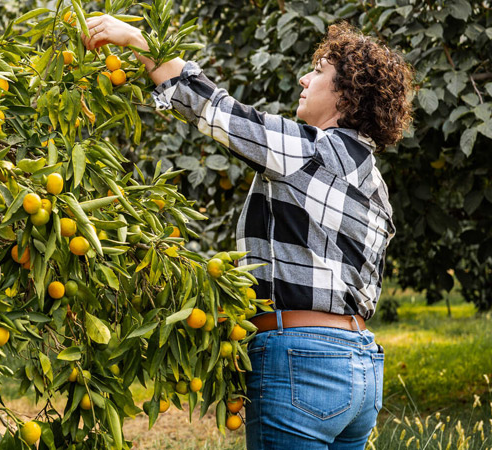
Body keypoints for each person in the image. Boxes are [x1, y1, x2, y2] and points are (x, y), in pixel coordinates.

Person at [83, 16, 413, 450]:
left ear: (346, 96)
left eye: (318, 71)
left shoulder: (307, 150)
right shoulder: (375, 183)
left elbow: (214, 109)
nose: (304, 78)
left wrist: (137, 40)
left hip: (302, 360)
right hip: (361, 366)